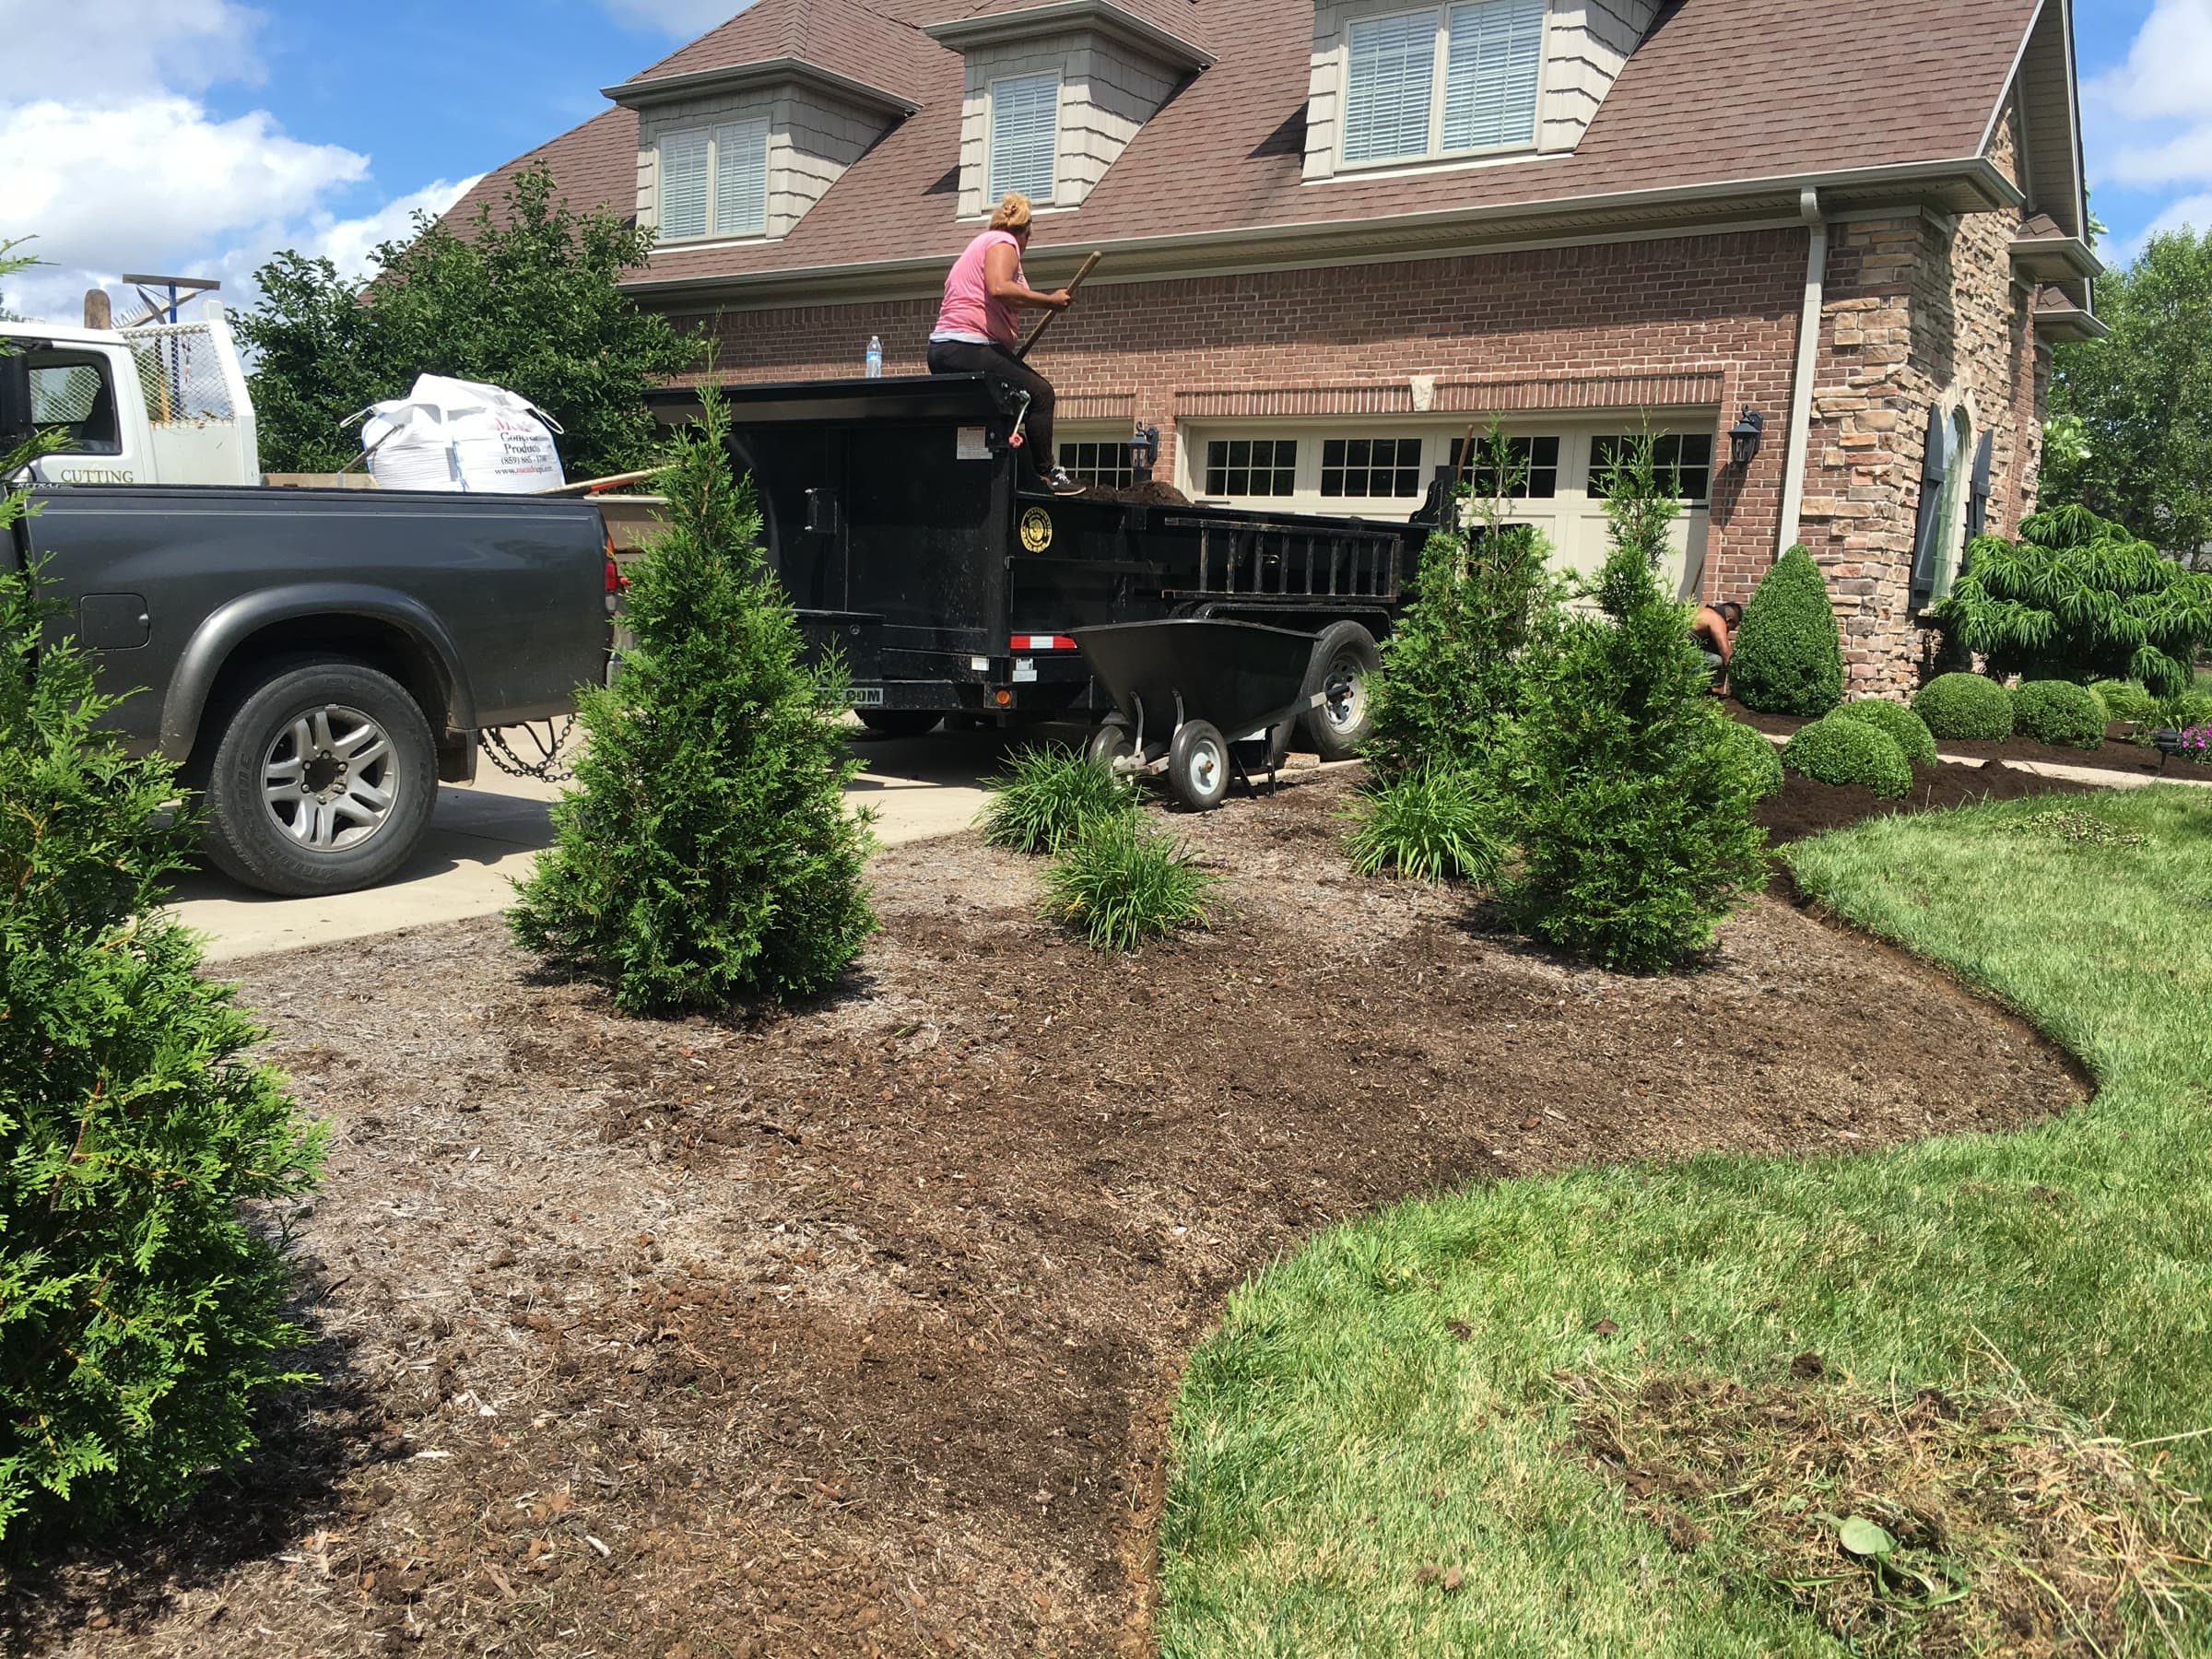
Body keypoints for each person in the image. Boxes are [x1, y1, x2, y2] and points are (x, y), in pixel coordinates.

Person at [927, 193, 1084, 495]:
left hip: (944, 350)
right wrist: (1049, 300)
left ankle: (988, 470)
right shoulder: (1003, 242)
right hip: (969, 347)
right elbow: (999, 287)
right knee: (1041, 394)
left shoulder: (978, 248)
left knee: (1001, 409)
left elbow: (1006, 294)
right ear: (1025, 232)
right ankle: (1048, 474)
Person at [1692, 599, 1742, 691]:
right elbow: (1726, 654)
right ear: (1729, 620)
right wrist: (1739, 680)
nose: (1729, 631)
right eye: (1732, 627)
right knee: (1717, 660)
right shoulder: (1717, 620)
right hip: (1680, 653)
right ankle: (1693, 688)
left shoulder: (1703, 611)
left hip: (1671, 647)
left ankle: (1708, 690)